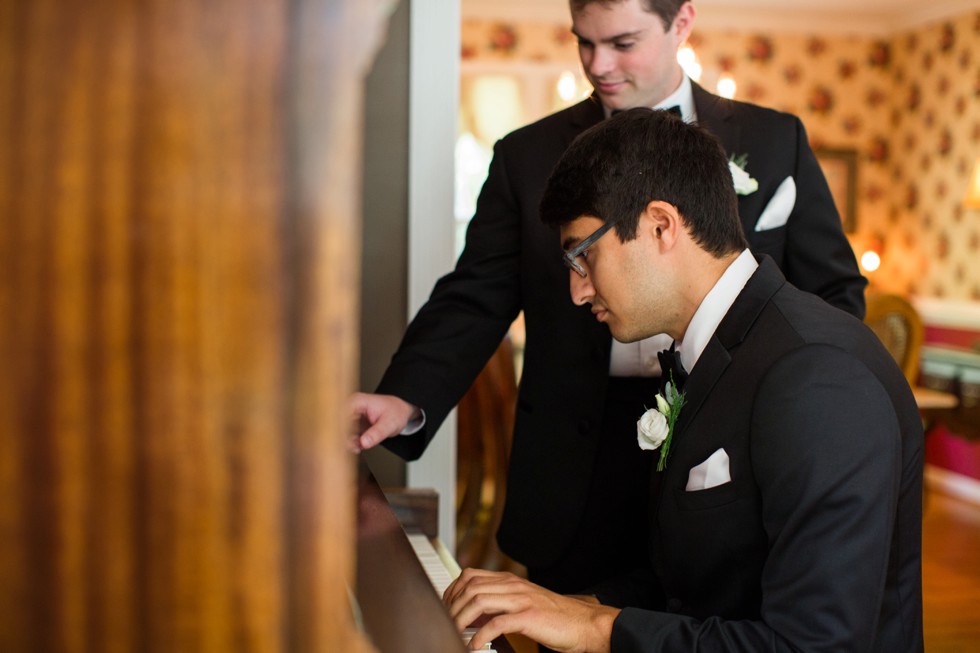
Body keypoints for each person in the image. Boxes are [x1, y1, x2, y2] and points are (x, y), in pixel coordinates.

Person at [351, 0, 868, 595]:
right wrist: (403, 396)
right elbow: (474, 297)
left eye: (622, 43)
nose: (599, 64)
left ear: (682, 23)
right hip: (580, 461)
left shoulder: (776, 142)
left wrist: (805, 409)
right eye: (584, 42)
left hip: (726, 440)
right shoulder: (528, 156)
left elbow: (833, 294)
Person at [443, 108, 923, 653]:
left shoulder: (816, 377)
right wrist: (573, 606)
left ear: (661, 226)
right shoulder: (714, 347)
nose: (576, 291)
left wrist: (599, 629)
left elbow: (815, 646)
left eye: (583, 254)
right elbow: (700, 582)